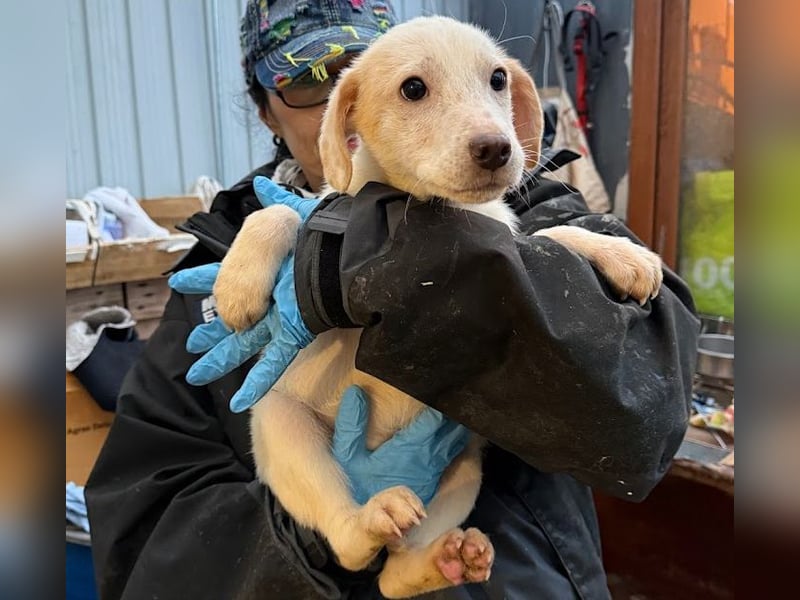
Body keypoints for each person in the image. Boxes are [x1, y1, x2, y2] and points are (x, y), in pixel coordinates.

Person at [85, 1, 699, 599]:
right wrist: (311, 545)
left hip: (492, 563)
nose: (337, 98)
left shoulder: (533, 201)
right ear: (267, 112)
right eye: (307, 81)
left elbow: (650, 409)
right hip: (321, 514)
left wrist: (529, 252)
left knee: (465, 467)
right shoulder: (230, 253)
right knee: (277, 413)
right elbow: (142, 528)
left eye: (367, 61)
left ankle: (412, 561)